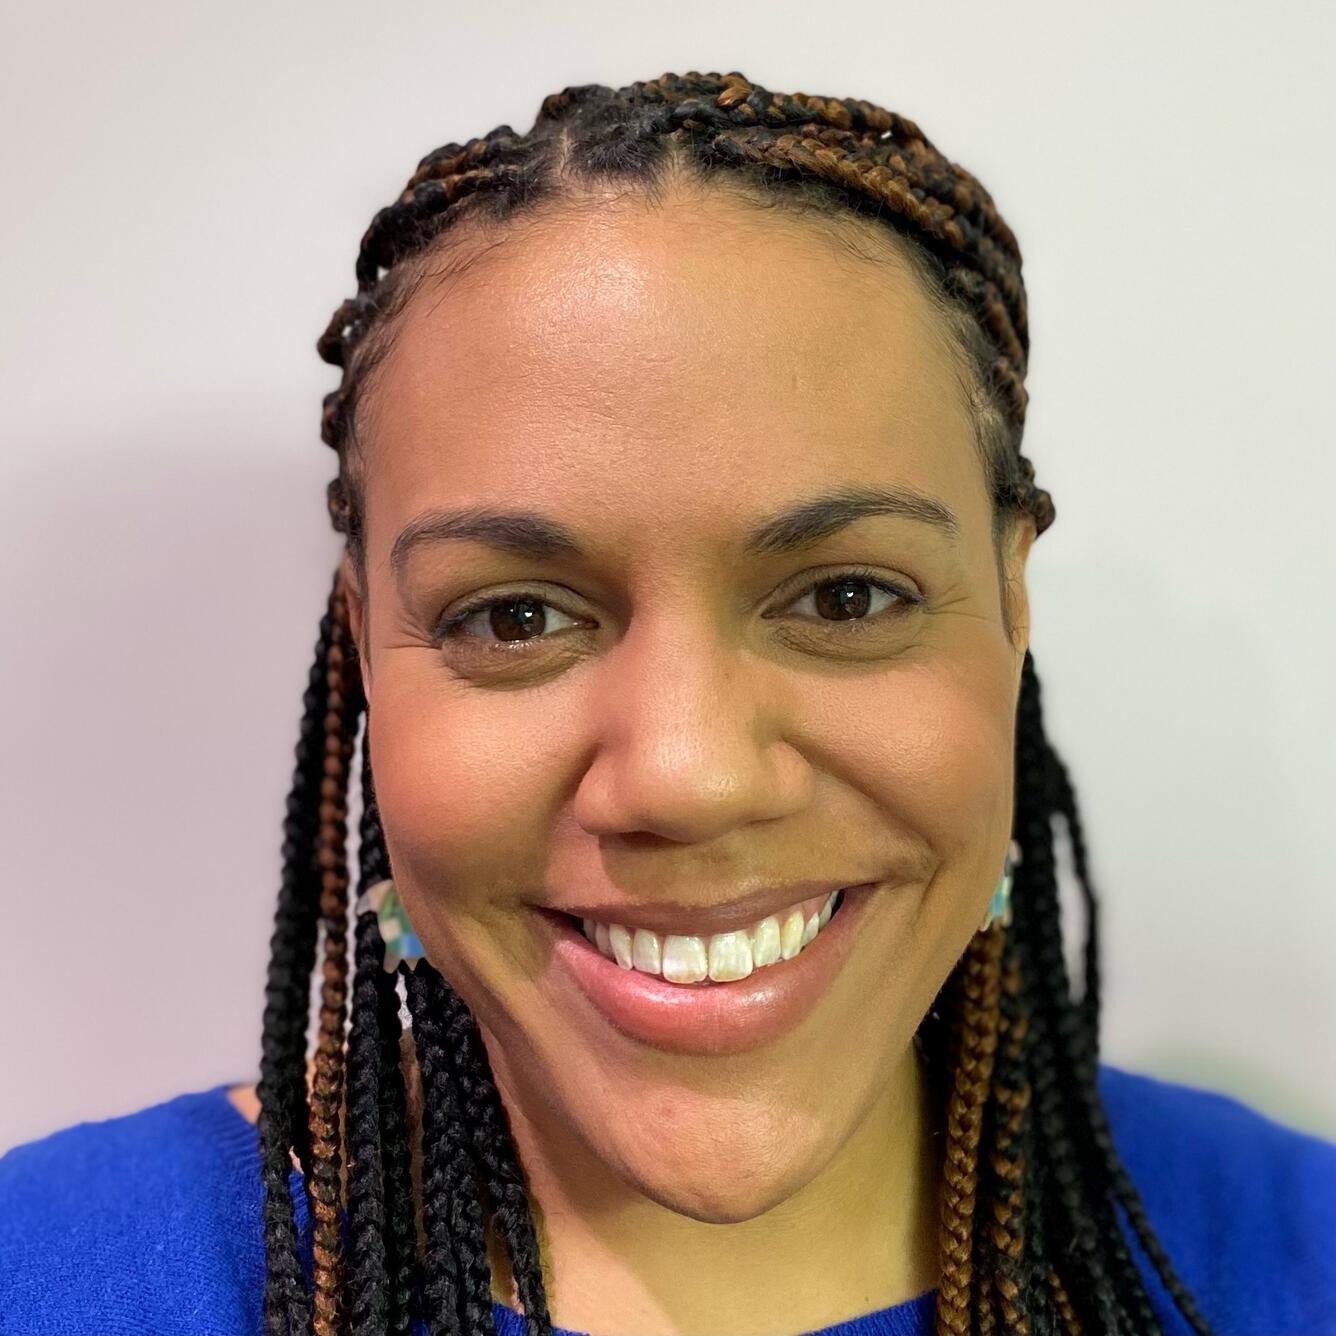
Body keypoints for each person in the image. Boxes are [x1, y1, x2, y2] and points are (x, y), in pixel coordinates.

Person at [1, 69, 1332, 1336]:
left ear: (1010, 601)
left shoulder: (1293, 1250)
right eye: (513, 616)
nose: (688, 777)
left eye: (845, 598)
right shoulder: (56, 1275)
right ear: (365, 655)